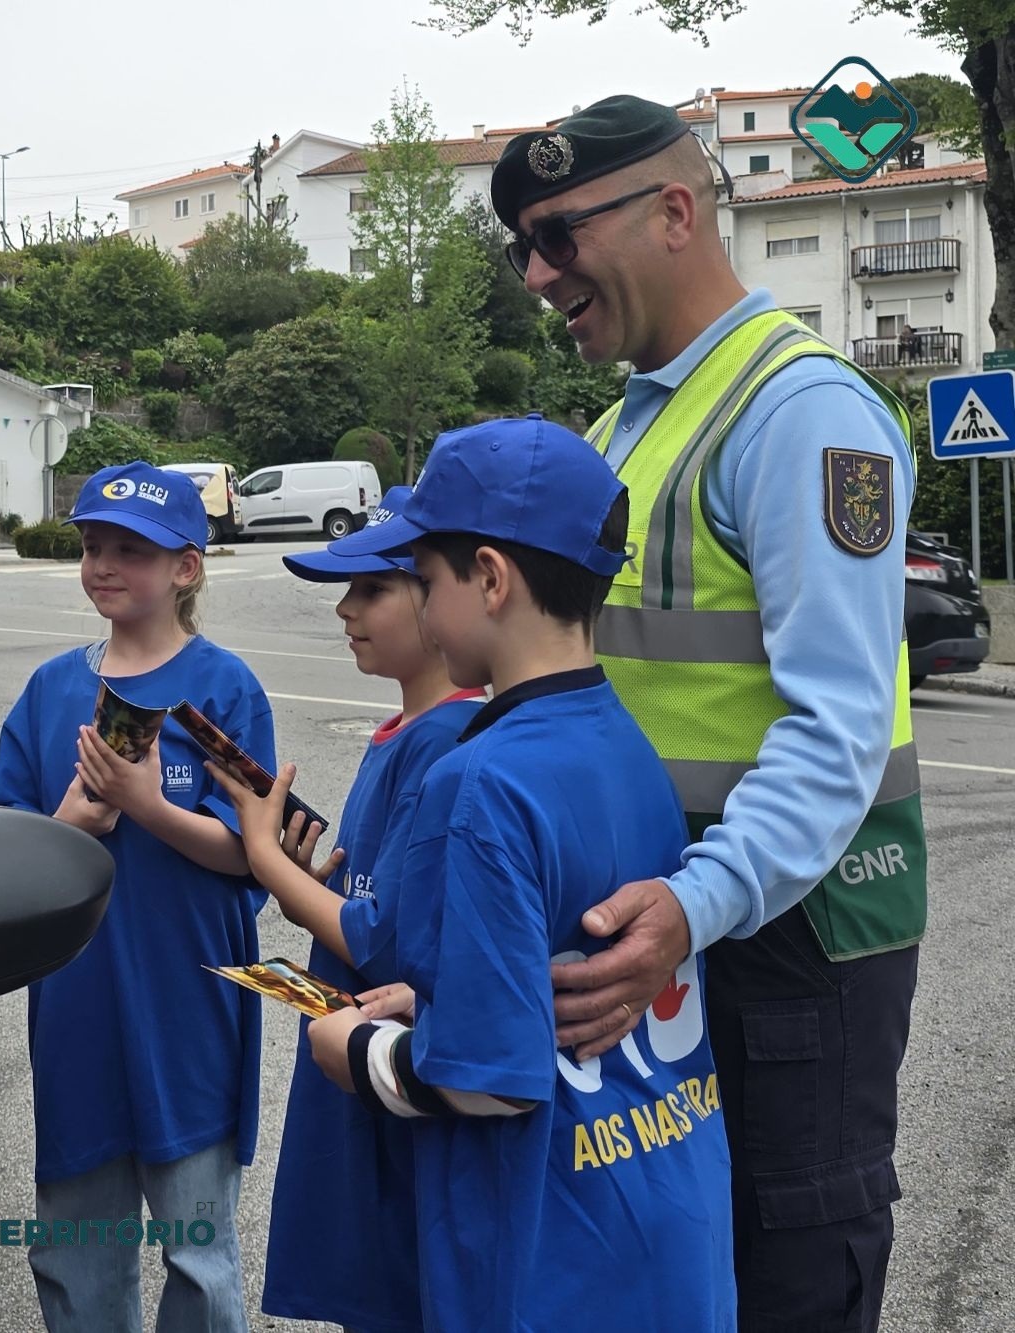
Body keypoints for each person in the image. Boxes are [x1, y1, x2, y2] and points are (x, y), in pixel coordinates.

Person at [492, 96, 922, 1330]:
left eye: (557, 235)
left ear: (672, 212)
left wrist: (692, 903)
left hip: (788, 938)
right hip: (669, 926)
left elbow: (836, 725)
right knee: (677, 1274)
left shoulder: (799, 412)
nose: (535, 274)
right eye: (523, 244)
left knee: (785, 1271)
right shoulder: (627, 422)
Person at [297, 416, 736, 1332]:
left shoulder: (478, 778)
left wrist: (357, 1049)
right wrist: (439, 1000)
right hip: (666, 1223)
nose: (419, 604)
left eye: (424, 579)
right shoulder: (628, 743)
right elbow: (551, 965)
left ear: (489, 578)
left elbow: (489, 1078)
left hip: (547, 1263)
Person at [0, 460, 271, 1333]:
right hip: (79, 1009)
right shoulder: (51, 690)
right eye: (92, 545)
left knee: (198, 1249)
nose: (104, 564)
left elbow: (254, 854)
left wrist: (149, 806)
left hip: (191, 1007)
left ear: (187, 566)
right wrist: (69, 820)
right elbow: (2, 850)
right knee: (77, 1243)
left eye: (131, 550)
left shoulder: (223, 688)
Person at [208, 486, 483, 1333]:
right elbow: (364, 898)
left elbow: (376, 933)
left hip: (394, 1063)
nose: (345, 608)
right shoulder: (406, 727)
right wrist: (311, 882)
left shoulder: (444, 738)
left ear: (440, 597)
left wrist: (262, 854)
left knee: (395, 1284)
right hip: (361, 1045)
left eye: (373, 589)